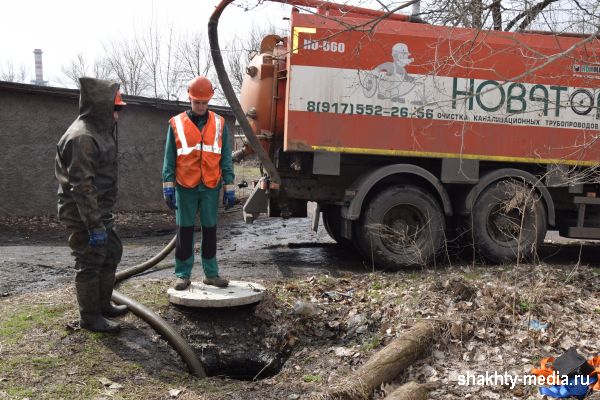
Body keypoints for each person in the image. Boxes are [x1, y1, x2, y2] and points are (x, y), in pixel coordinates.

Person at [55, 77, 129, 333]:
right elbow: (82, 187)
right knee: (89, 261)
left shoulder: (99, 131)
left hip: (99, 211)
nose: (118, 115)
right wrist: (94, 225)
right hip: (82, 213)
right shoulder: (82, 137)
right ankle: (90, 317)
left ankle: (103, 304)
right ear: (101, 108)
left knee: (111, 252)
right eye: (115, 109)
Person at [162, 76, 235, 290]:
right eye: (197, 102)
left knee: (210, 230)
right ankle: (183, 275)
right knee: (184, 231)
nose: (201, 106)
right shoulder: (176, 123)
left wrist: (229, 186)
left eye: (204, 102)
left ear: (209, 100)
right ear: (190, 99)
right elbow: (169, 157)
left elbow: (226, 158)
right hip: (185, 186)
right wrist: (168, 186)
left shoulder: (220, 124)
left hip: (210, 186)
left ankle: (211, 273)